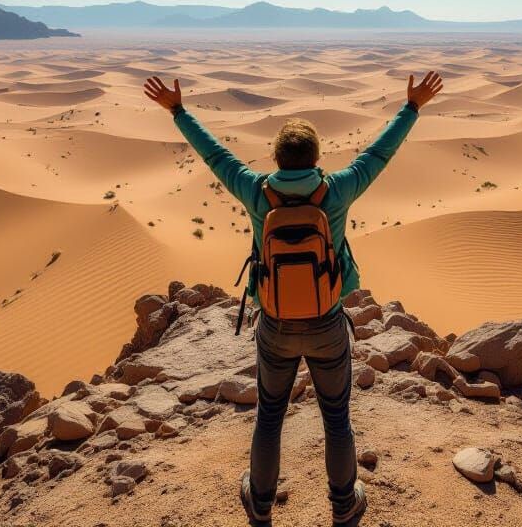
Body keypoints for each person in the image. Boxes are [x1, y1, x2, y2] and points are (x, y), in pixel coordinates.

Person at [143, 70, 444, 526]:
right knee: (336, 418)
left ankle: (260, 506)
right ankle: (344, 507)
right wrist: (412, 106)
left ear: (278, 158)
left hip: (276, 326)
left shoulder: (255, 191)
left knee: (269, 416)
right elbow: (379, 153)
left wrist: (178, 111)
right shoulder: (337, 190)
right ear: (316, 157)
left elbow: (215, 155)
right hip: (326, 323)